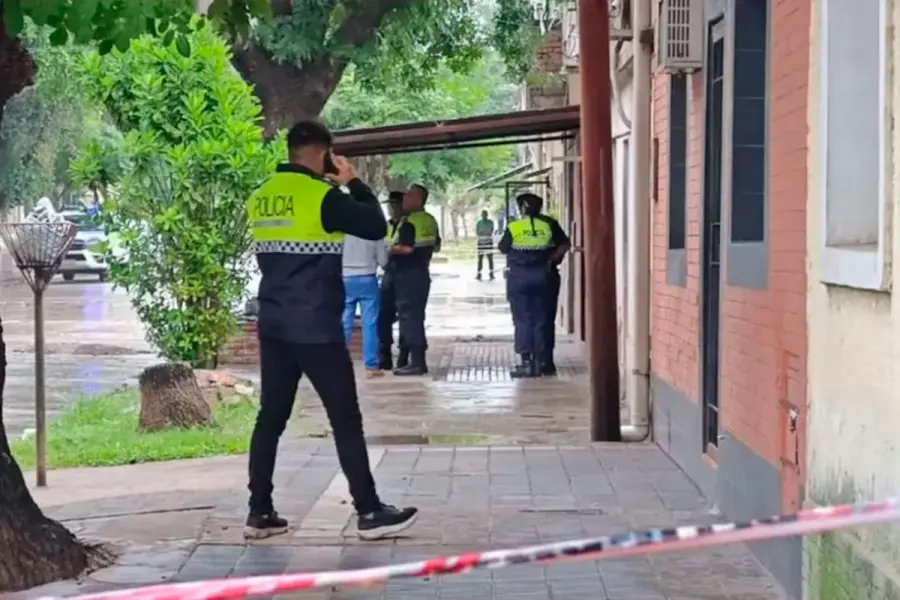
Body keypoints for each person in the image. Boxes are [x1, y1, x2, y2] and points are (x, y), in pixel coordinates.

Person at [245, 120, 418, 541]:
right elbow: (375, 226)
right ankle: (369, 511)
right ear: (324, 153)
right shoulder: (323, 197)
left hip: (274, 323)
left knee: (270, 417)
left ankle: (259, 512)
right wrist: (353, 182)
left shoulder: (260, 197)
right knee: (345, 419)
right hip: (317, 326)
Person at [497, 193, 570, 378]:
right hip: (545, 277)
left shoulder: (514, 226)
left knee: (522, 320)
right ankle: (545, 362)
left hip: (519, 279)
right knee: (544, 320)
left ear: (521, 208)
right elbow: (565, 243)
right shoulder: (550, 224)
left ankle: (527, 363)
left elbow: (503, 248)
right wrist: (553, 259)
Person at [390, 183, 440, 376]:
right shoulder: (430, 220)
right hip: (422, 272)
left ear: (419, 199)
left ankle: (417, 363)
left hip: (407, 274)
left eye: (409, 195)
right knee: (416, 317)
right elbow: (436, 245)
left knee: (409, 318)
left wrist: (386, 250)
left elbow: (406, 248)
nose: (405, 198)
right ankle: (409, 359)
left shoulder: (409, 222)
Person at [342, 228, 389, 378]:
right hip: (368, 278)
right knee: (370, 323)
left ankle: (338, 362)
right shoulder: (374, 231)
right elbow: (384, 261)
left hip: (344, 278)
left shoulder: (341, 231)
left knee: (344, 322)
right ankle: (371, 366)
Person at [378, 192, 405, 370]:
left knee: (405, 316)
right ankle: (385, 353)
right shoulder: (386, 226)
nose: (392, 208)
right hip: (388, 273)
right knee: (384, 315)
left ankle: (404, 354)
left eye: (395, 204)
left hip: (405, 274)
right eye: (390, 204)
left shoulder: (409, 224)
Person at [475, 209, 495, 281]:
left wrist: (483, 232)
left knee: (490, 258)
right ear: (481, 215)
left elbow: (490, 232)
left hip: (488, 242)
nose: (484, 216)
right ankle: (479, 274)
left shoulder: (491, 222)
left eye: (485, 214)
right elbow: (478, 233)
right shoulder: (478, 223)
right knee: (480, 259)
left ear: (487, 215)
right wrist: (484, 232)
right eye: (483, 214)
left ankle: (491, 274)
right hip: (480, 243)